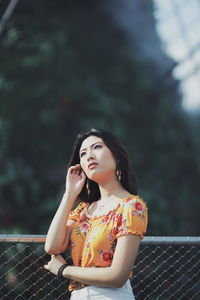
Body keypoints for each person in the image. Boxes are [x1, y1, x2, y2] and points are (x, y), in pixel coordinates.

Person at [44, 128, 148, 300]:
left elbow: (117, 277)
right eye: (83, 154)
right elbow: (52, 247)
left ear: (117, 156)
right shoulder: (83, 210)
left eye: (97, 147)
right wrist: (69, 194)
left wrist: (64, 270)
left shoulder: (131, 207)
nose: (89, 156)